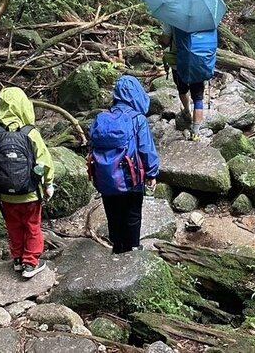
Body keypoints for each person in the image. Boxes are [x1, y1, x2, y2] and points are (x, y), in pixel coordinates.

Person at [0, 86, 55, 279]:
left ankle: (18, 259)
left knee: (13, 226)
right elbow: (45, 162)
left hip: (5, 194)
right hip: (29, 193)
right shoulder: (30, 133)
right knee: (32, 225)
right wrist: (48, 185)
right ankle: (31, 262)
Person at [88, 75, 160, 254]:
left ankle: (118, 246)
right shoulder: (138, 120)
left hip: (106, 178)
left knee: (113, 213)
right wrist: (152, 173)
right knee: (133, 213)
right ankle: (133, 247)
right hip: (131, 178)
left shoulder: (103, 118)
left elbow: (93, 146)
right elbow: (146, 148)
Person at [159, 22, 205, 140]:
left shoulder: (172, 18)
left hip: (178, 62)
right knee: (198, 97)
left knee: (182, 89)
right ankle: (195, 132)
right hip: (198, 62)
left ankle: (187, 111)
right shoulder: (204, 18)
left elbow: (165, 40)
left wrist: (161, 39)